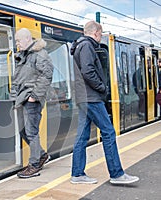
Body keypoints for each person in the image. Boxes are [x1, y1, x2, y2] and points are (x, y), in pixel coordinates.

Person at [70, 20, 139, 185]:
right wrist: (101, 87)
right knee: (108, 132)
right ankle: (116, 174)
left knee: (82, 136)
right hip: (91, 97)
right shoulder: (87, 46)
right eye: (100, 34)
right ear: (95, 33)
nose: (100, 37)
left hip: (84, 97)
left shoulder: (79, 46)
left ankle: (77, 174)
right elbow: (88, 70)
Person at [10, 28, 54, 178]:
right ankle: (42, 155)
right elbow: (17, 79)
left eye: (18, 41)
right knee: (23, 131)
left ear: (27, 39)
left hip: (31, 99)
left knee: (31, 132)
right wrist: (13, 98)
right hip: (21, 99)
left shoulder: (40, 54)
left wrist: (34, 96)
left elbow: (47, 75)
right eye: (16, 41)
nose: (17, 44)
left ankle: (34, 165)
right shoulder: (23, 55)